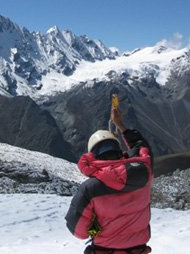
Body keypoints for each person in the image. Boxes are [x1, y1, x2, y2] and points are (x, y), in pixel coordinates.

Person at [65, 107, 153, 254]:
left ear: (93, 156)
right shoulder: (144, 174)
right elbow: (141, 146)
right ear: (120, 152)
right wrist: (120, 124)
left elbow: (79, 232)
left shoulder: (90, 189)